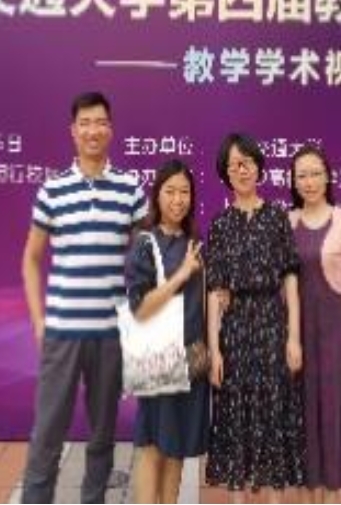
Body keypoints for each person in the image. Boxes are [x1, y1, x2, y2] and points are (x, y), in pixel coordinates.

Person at [20, 91, 147, 504]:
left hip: (110, 336)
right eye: (85, 123)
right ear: (73, 132)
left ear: (111, 129)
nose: (93, 130)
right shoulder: (53, 190)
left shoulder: (130, 190)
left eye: (100, 122)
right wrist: (39, 321)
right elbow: (31, 259)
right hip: (62, 334)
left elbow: (147, 260)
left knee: (103, 434)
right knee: (47, 433)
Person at [205, 132, 305, 499]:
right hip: (234, 331)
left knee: (273, 411)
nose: (241, 170)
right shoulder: (220, 225)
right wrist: (214, 350)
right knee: (234, 413)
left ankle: (275, 499)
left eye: (246, 163)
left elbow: (290, 279)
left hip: (271, 323)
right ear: (226, 174)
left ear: (258, 167)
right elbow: (215, 292)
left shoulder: (277, 217)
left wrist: (293, 337)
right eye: (234, 165)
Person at [125, 159, 210, 503]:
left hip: (191, 359)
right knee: (152, 446)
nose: (178, 199)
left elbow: (203, 300)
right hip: (159, 356)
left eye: (184, 192)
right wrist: (181, 275)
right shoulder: (145, 243)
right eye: (170, 191)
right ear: (157, 195)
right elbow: (140, 308)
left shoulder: (196, 242)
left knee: (176, 449)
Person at [289, 144, 341, 502]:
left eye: (315, 174)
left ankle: (331, 495)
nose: (309, 181)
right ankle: (308, 496)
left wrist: (339, 320)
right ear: (293, 181)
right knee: (302, 412)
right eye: (302, 175)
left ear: (328, 177)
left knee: (334, 411)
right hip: (297, 332)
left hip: (335, 332)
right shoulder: (287, 222)